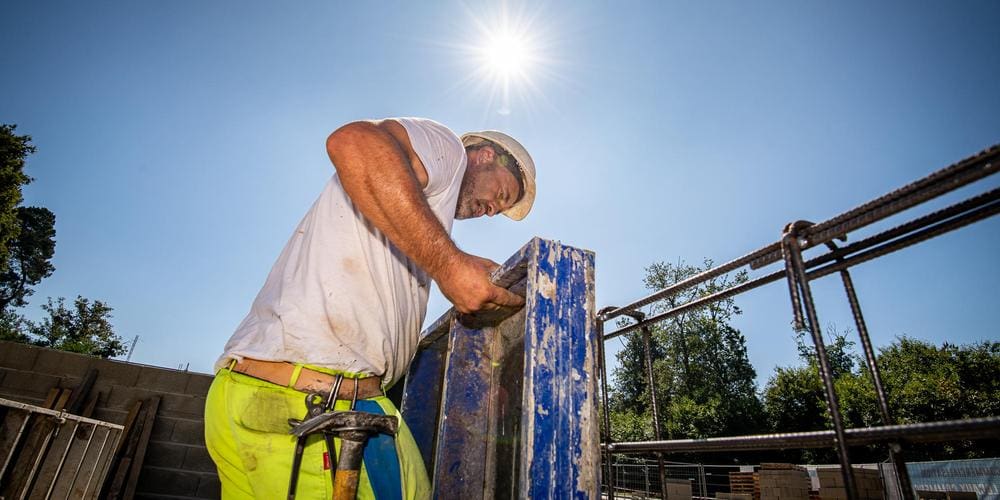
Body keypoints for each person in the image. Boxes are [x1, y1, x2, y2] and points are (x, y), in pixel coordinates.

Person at [204, 117, 536, 499]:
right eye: (503, 194)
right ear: (486, 156)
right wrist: (450, 266)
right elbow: (353, 141)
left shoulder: (419, 213)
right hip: (312, 405)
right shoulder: (448, 150)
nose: (492, 210)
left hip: (278, 394)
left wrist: (457, 264)